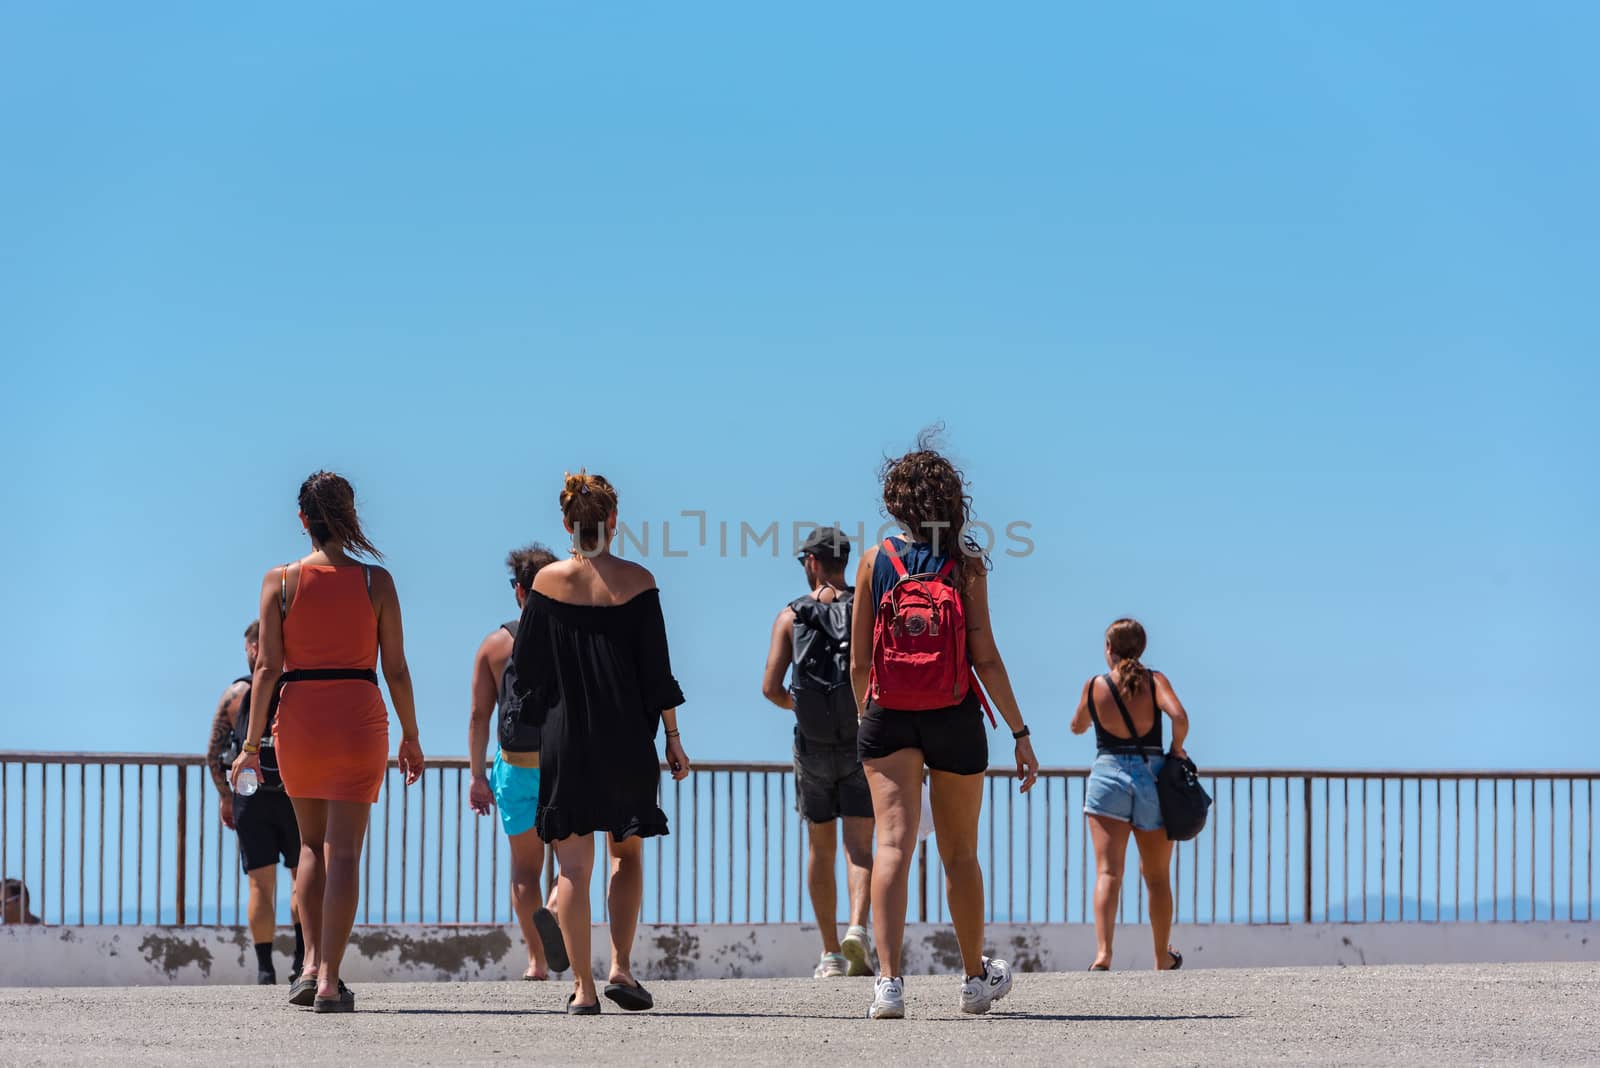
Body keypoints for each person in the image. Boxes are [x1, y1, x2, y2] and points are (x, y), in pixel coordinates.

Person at [849, 436, 1039, 1020]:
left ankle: (888, 984)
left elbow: (857, 661)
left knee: (891, 845)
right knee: (960, 854)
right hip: (955, 713)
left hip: (888, 712)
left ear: (898, 502)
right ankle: (975, 979)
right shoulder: (967, 565)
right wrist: (1019, 731)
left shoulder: (875, 560)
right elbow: (986, 656)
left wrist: (870, 716)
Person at [231, 471, 424, 1013]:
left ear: (302, 521)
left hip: (299, 720)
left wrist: (249, 746)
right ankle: (328, 981)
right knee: (345, 853)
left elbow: (267, 668)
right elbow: (398, 669)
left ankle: (311, 961)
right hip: (359, 715)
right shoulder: (375, 582)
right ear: (350, 516)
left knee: (310, 848)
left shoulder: (280, 582)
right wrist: (411, 735)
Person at [510, 471, 691, 1016]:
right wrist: (674, 739)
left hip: (566, 738)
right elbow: (657, 672)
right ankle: (621, 966)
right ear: (614, 521)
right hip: (628, 737)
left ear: (566, 524)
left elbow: (527, 673)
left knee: (571, 868)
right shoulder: (639, 581)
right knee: (626, 854)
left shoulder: (544, 586)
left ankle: (583, 990)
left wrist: (539, 727)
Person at [761, 526, 874, 978]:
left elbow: (770, 688)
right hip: (861, 741)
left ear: (811, 562)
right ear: (845, 561)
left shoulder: (791, 617)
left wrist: (799, 705)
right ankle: (858, 930)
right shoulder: (864, 610)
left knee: (820, 846)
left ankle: (829, 954)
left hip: (811, 745)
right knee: (860, 847)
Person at [468, 543, 568, 980]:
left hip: (515, 765)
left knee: (525, 868)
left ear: (519, 591)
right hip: (562, 765)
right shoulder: (573, 639)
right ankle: (553, 908)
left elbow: (478, 716)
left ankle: (535, 962)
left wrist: (476, 776)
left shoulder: (495, 644)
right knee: (572, 866)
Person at [1071, 618, 1191, 972]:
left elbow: (1077, 725)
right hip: (1152, 776)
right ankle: (1160, 957)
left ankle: (1104, 954)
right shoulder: (1154, 681)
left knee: (1108, 872)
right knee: (1156, 877)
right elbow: (1179, 716)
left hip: (1107, 776)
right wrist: (1178, 748)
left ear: (1109, 648)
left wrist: (1088, 719)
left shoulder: (1095, 685)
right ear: (1141, 648)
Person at [206, 620, 303, 984]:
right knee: (301, 877)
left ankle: (265, 969)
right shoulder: (294, 690)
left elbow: (213, 753)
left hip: (249, 792)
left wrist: (225, 799)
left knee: (260, 885)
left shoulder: (235, 695)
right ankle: (300, 961)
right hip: (294, 790)